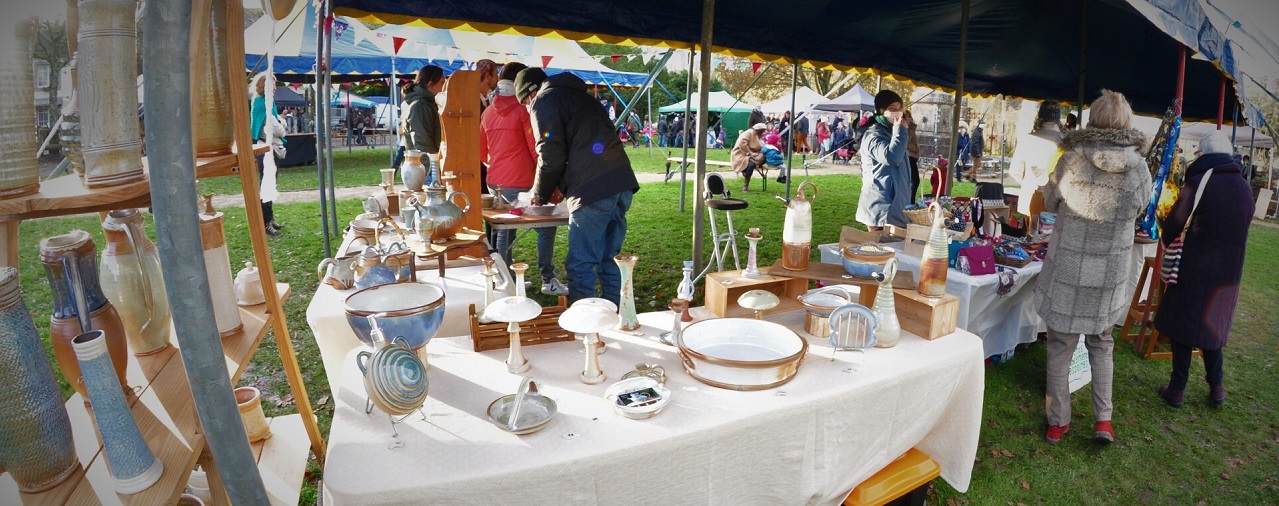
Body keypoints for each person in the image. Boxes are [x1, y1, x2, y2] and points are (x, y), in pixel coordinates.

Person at [1035, 90, 1152, 445]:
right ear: (1126, 123)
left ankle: (1058, 422)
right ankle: (1104, 421)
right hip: (1108, 272)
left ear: (1094, 118)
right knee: (1102, 344)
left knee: (1060, 345)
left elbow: (1050, 201)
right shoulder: (1138, 167)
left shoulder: (1071, 159)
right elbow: (1142, 208)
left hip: (1070, 266)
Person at [517, 68, 640, 305]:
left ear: (530, 92)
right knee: (610, 259)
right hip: (621, 182)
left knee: (581, 262)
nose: (526, 107)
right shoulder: (583, 98)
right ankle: (614, 314)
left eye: (523, 102)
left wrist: (539, 194)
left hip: (593, 188)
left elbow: (550, 153)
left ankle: (585, 326)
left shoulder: (543, 100)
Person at [1154, 132, 1253, 409]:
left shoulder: (1200, 181)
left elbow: (1174, 224)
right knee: (1212, 327)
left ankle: (1177, 390)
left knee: (1184, 325)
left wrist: (1165, 232)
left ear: (1203, 155)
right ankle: (1217, 389)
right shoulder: (1244, 187)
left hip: (1196, 266)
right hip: (1229, 273)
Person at [481, 63, 568, 296]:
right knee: (546, 228)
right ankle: (547, 278)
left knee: (504, 231)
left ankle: (506, 279)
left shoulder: (487, 112)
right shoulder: (524, 111)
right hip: (523, 180)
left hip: (495, 180)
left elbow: (481, 152)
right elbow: (536, 150)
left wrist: (497, 165)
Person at [855, 90, 912, 232]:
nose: (897, 112)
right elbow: (891, 157)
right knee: (880, 251)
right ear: (881, 111)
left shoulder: (892, 132)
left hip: (895, 207)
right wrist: (900, 130)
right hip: (880, 208)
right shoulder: (873, 135)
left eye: (899, 108)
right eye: (892, 109)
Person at [1009, 101, 1065, 218]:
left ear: (1040, 117)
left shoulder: (1027, 139)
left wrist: (1029, 182)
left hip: (1030, 200)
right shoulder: (1066, 142)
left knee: (1031, 234)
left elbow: (1015, 171)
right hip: (1058, 203)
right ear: (1058, 120)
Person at [249, 72, 285, 237]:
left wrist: (279, 124)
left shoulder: (265, 104)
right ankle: (265, 224)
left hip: (267, 149)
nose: (275, 89)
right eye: (272, 85)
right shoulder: (262, 104)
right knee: (266, 188)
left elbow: (275, 125)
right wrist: (281, 125)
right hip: (265, 151)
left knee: (269, 186)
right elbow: (278, 129)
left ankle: (268, 220)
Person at [401, 65, 446, 183]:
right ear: (431, 84)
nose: (444, 88)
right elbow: (422, 143)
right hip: (426, 169)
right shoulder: (420, 105)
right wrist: (434, 168)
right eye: (442, 83)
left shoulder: (426, 103)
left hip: (427, 167)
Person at [731, 123, 767, 192]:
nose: (763, 132)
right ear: (759, 130)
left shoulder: (757, 135)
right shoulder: (748, 133)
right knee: (751, 165)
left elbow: (758, 145)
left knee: (764, 157)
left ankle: (749, 169)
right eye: (762, 131)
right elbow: (742, 143)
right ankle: (745, 184)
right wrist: (750, 153)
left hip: (751, 154)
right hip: (741, 154)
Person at [905, 109, 921, 203]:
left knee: (913, 181)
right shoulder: (907, 128)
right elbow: (905, 142)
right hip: (909, 156)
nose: (910, 118)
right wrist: (915, 148)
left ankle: (910, 201)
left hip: (911, 157)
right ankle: (910, 201)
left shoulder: (910, 128)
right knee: (915, 181)